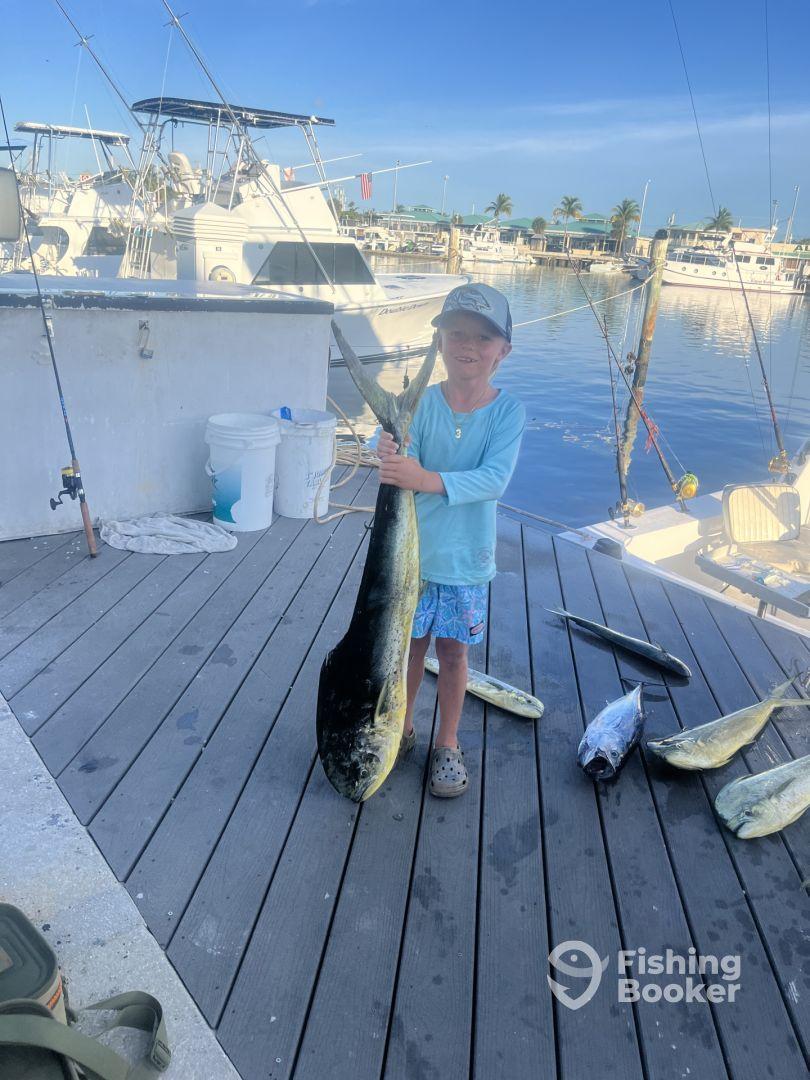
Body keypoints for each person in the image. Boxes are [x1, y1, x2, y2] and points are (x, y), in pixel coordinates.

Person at [376, 283, 525, 797]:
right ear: (439, 340)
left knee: (454, 655)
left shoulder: (508, 413)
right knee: (410, 650)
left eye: (483, 337)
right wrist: (390, 449)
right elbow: (402, 457)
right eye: (457, 332)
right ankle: (403, 725)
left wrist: (423, 479)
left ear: (502, 350)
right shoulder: (418, 405)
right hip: (412, 559)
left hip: (465, 561)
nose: (468, 344)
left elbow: (494, 480)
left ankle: (447, 741)